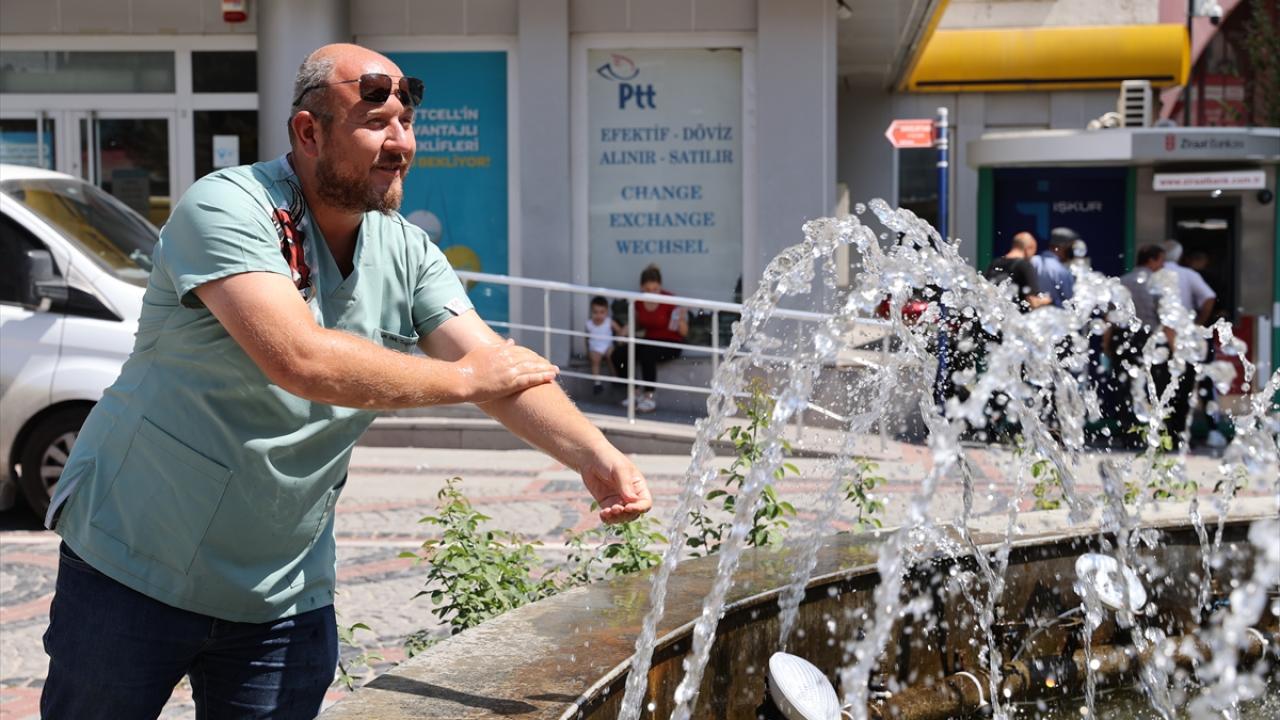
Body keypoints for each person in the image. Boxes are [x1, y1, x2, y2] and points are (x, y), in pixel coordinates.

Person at [39, 43, 652, 720]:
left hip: (280, 592)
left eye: (408, 124)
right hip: (131, 564)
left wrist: (597, 454)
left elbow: (496, 369)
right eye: (376, 124)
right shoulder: (226, 207)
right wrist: (465, 380)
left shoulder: (408, 250)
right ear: (309, 132)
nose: (401, 145)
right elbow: (299, 359)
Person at [614, 264, 688, 413]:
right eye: (648, 290)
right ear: (642, 288)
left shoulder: (670, 300)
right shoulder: (639, 301)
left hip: (671, 343)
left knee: (647, 353)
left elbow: (684, 332)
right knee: (619, 353)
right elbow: (637, 324)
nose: (652, 293)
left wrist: (680, 319)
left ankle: (649, 397)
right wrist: (623, 331)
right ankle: (634, 393)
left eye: (655, 289)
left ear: (660, 287)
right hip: (650, 341)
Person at [985, 231, 1051, 312]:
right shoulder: (1025, 265)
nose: (1032, 256)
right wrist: (1047, 300)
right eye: (1034, 251)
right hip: (1015, 319)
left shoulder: (995, 263)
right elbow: (1032, 301)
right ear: (1028, 248)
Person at [1160, 240, 1217, 326]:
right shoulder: (1189, 274)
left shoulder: (1150, 273)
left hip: (1156, 328)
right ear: (1180, 256)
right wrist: (1199, 324)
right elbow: (1209, 297)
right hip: (1182, 327)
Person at [1030, 227, 1078, 307]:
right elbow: (1071, 304)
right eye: (1070, 248)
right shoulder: (1063, 271)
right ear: (1062, 247)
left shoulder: (1032, 261)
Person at [585, 295, 623, 394]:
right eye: (595, 312)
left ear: (607, 312)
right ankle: (597, 383)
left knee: (611, 357)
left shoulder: (609, 322)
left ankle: (615, 378)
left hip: (607, 345)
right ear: (591, 312)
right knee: (595, 360)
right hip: (595, 346)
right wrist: (587, 350)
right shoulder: (589, 324)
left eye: (602, 312)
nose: (598, 315)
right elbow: (586, 338)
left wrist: (620, 340)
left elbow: (619, 330)